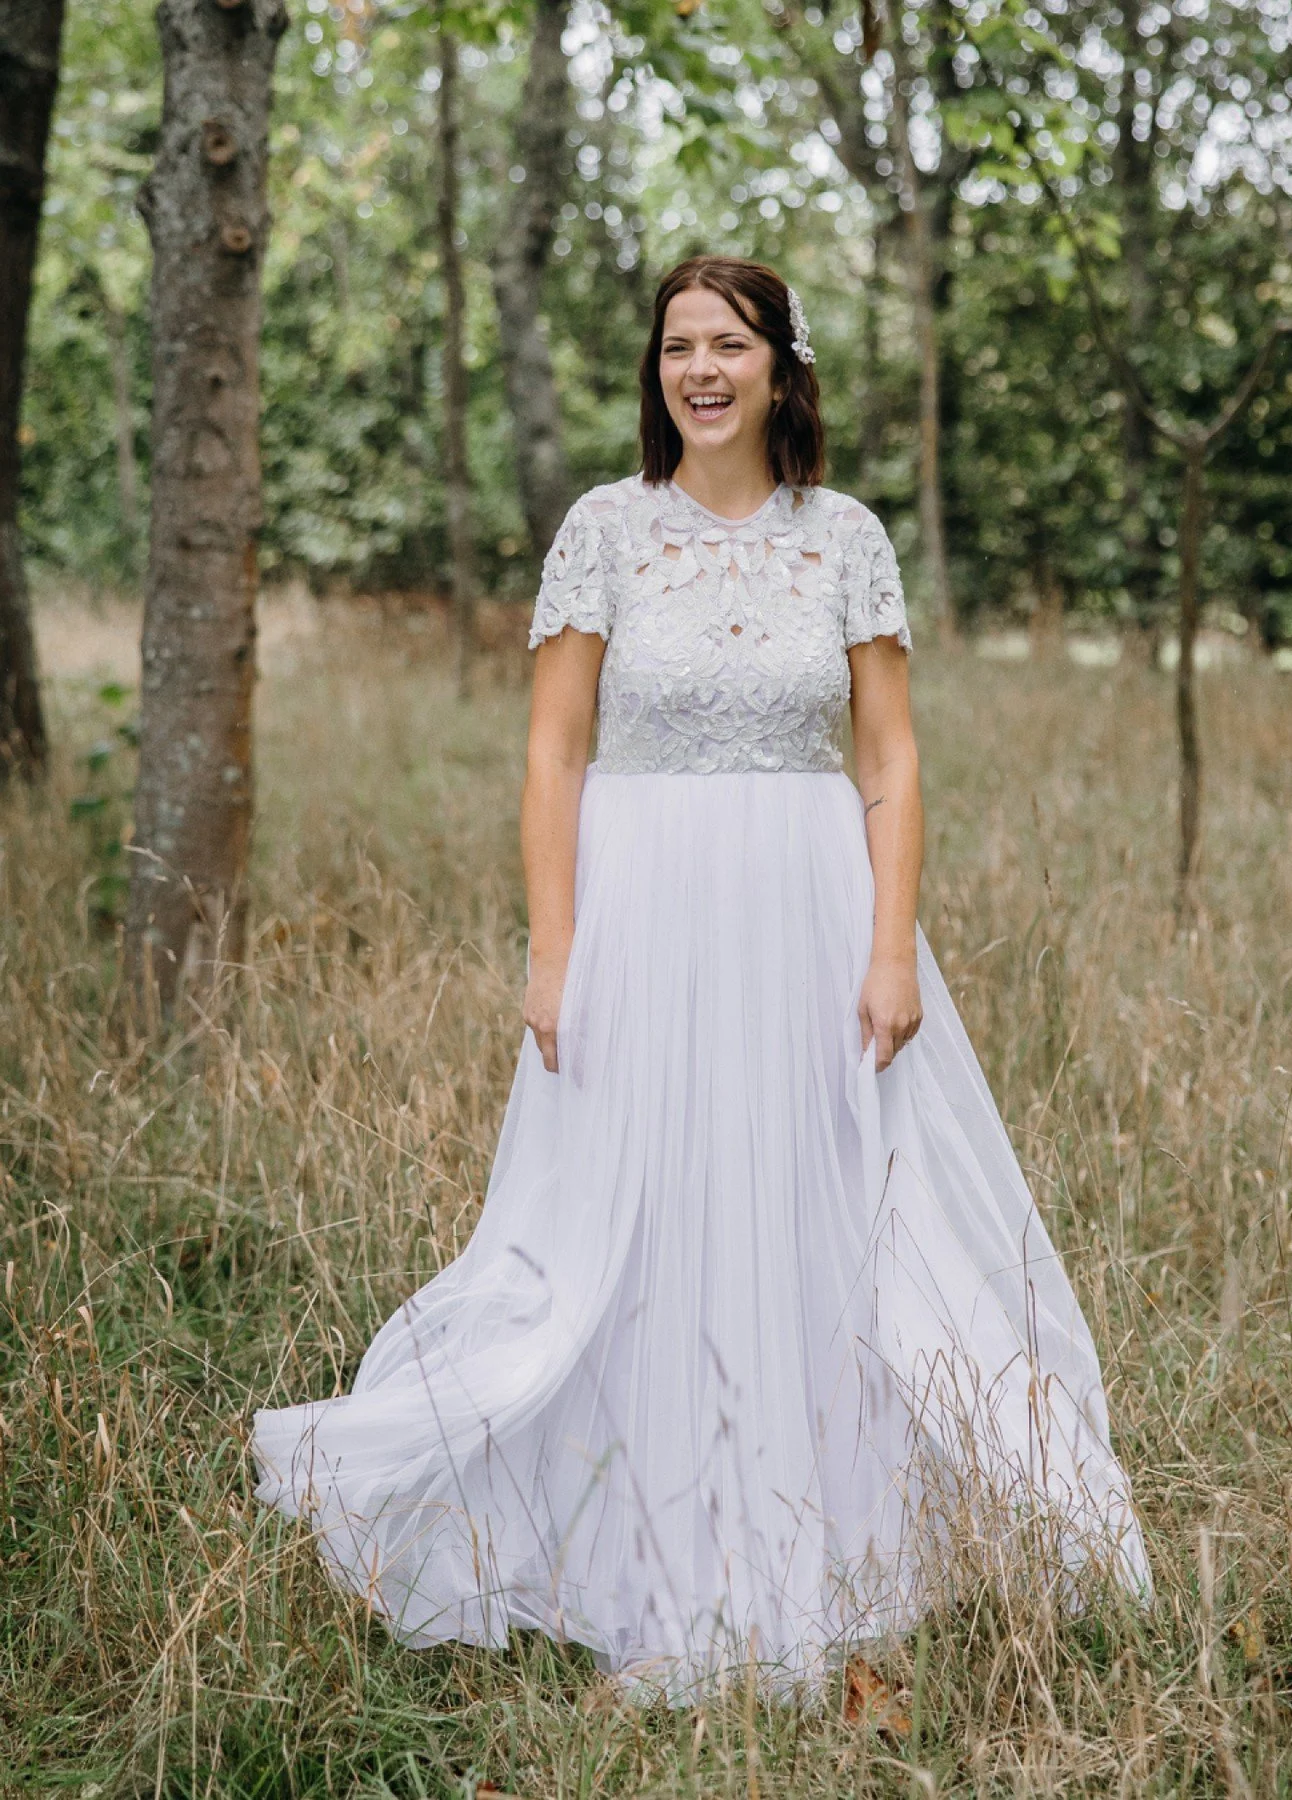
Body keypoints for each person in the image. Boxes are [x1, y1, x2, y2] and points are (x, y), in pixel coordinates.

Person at [251, 254, 1150, 1709]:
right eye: (678, 347)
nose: (701, 371)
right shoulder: (604, 530)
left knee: (819, 1215)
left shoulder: (844, 538)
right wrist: (555, 949)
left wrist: (890, 944)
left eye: (729, 344)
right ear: (655, 372)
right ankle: (648, 1558)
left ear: (781, 368)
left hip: (811, 918)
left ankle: (822, 1542)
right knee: (641, 1219)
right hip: (644, 920)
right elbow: (553, 753)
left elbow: (890, 758)